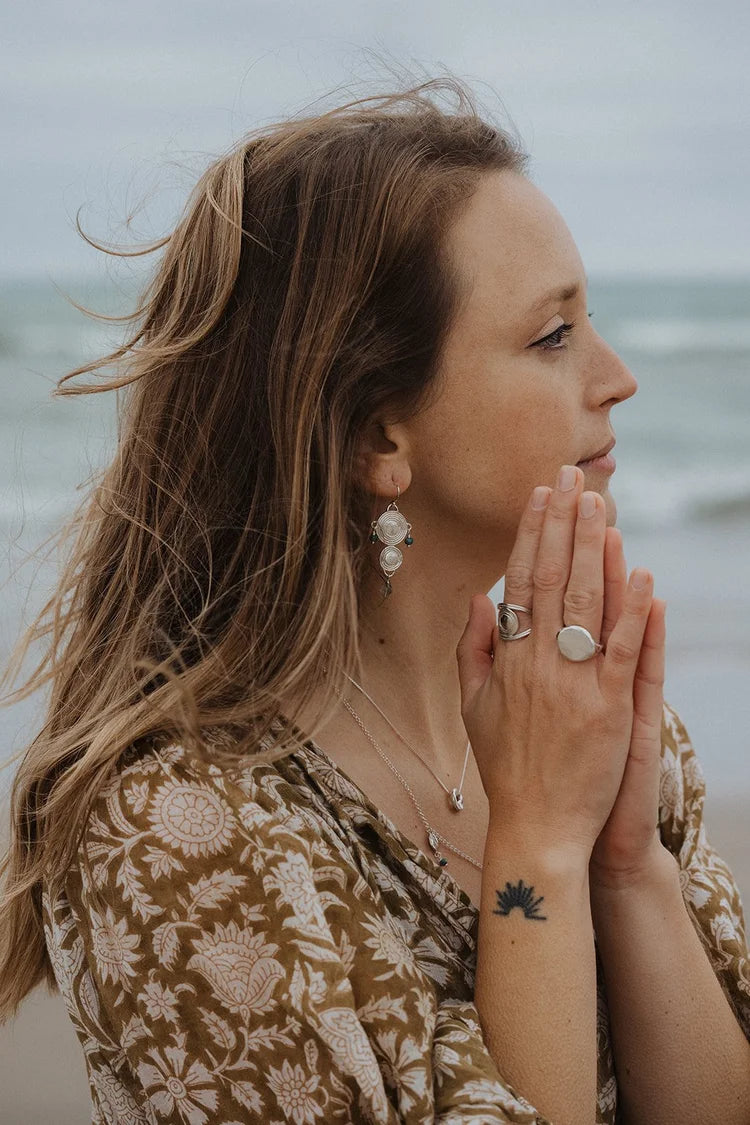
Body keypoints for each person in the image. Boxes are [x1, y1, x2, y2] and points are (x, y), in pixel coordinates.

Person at [1, 75, 748, 1124]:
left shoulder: (580, 711)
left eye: (594, 323)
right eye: (553, 336)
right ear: (378, 437)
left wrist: (626, 866)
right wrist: (539, 847)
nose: (618, 377)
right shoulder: (180, 834)